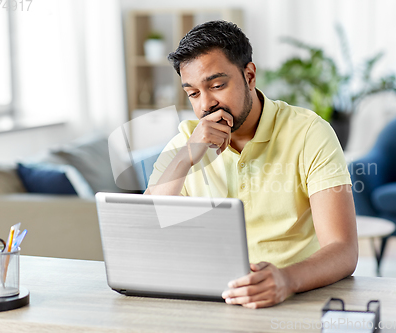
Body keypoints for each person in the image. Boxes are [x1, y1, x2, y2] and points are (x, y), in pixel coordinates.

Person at [144, 20, 358, 309]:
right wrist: (186, 157)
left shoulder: (309, 132)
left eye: (217, 85)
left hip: (295, 297)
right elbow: (147, 228)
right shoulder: (186, 140)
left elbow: (343, 250)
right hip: (214, 299)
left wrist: (286, 280)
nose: (206, 104)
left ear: (250, 75)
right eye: (193, 93)